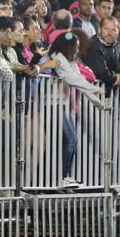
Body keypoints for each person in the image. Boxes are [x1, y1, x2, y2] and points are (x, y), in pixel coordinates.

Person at [47, 31, 107, 187]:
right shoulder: (57, 57)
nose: (77, 51)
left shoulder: (71, 61)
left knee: (72, 140)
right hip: (52, 105)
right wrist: (94, 89)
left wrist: (98, 103)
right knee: (72, 139)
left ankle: (64, 177)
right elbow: (71, 79)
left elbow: (79, 79)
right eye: (75, 47)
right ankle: (63, 177)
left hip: (61, 106)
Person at [82, 17, 120, 93]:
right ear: (99, 29)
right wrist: (116, 79)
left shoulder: (119, 48)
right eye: (106, 29)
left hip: (113, 96)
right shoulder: (92, 45)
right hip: (92, 95)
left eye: (113, 30)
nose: (110, 33)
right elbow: (100, 72)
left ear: (118, 32)